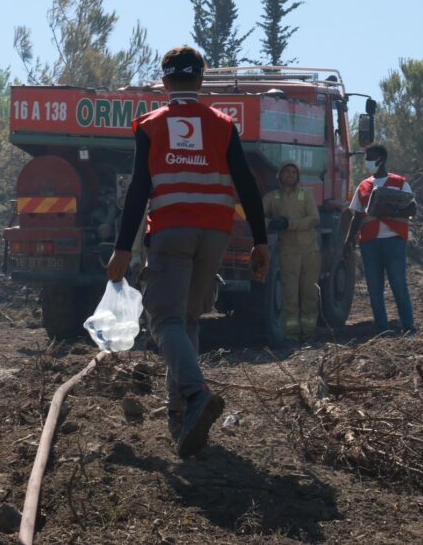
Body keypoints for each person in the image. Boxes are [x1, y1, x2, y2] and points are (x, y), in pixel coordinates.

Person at [108, 46, 270, 458]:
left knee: (164, 320)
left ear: (164, 83)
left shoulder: (151, 125)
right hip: (215, 233)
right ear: (200, 80)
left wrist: (122, 248)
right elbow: (246, 183)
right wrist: (261, 239)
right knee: (189, 320)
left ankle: (196, 393)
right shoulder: (222, 125)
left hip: (170, 232)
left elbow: (138, 191)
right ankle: (181, 415)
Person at [344, 144, 417, 335]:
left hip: (394, 240)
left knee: (398, 284)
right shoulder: (364, 186)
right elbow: (357, 216)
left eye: (370, 158)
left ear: (381, 159)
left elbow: (412, 209)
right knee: (374, 288)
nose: (367, 162)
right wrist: (349, 240)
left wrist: (392, 211)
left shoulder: (400, 183)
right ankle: (382, 329)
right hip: (370, 243)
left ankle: (409, 327)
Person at [263, 162, 321, 343]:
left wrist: (290, 224)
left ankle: (309, 335)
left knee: (309, 295)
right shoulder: (272, 197)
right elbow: (255, 215)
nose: (290, 175)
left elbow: (314, 219)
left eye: (294, 172)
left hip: (310, 251)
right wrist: (270, 224)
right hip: (288, 253)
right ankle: (292, 336)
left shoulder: (305, 195)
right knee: (290, 297)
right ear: (279, 175)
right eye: (287, 171)